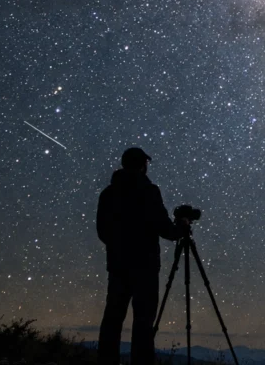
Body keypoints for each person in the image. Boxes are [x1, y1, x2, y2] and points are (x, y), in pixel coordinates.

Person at [97, 147, 188, 365]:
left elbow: (102, 231)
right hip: (144, 267)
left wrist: (119, 246)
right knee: (143, 322)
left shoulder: (109, 193)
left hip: (118, 265)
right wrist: (181, 229)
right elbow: (163, 227)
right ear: (142, 165)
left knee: (112, 319)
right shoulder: (148, 191)